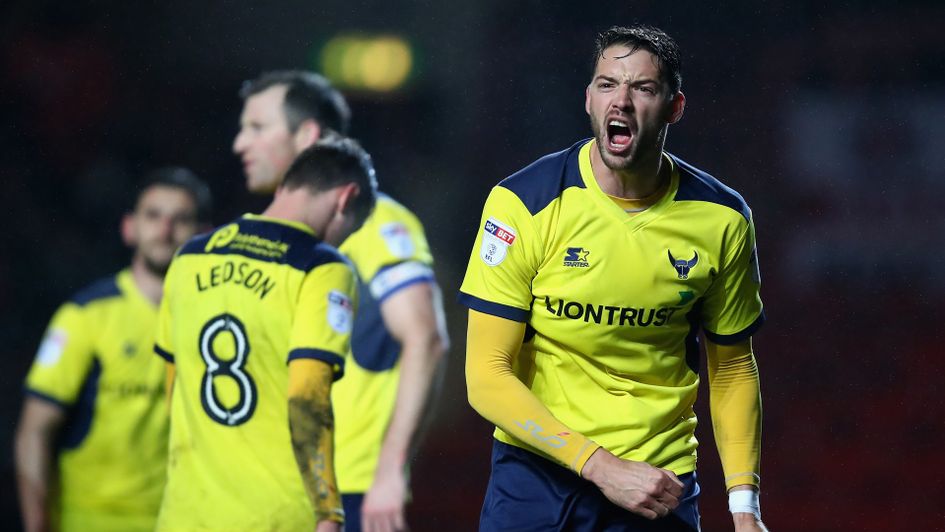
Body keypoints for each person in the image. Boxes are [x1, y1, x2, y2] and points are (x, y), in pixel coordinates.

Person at [460, 25, 768, 531]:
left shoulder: (723, 218)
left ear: (675, 107)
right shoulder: (523, 204)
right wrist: (601, 466)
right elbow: (487, 375)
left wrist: (744, 507)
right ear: (588, 100)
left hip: (657, 483)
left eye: (642, 89)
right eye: (607, 84)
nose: (620, 101)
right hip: (537, 479)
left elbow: (733, 367)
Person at [233, 70, 449, 532]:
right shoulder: (257, 235)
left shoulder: (375, 222)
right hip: (270, 486)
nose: (239, 143)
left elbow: (426, 339)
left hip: (349, 489)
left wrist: (390, 471)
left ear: (307, 134)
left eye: (257, 128)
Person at [153, 138, 377, 531]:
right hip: (276, 516)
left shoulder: (190, 256)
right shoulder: (322, 267)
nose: (342, 240)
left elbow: (174, 388)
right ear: (346, 199)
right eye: (349, 229)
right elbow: (308, 395)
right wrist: (328, 510)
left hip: (185, 514)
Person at [15, 168, 212, 532]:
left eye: (180, 219)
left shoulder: (212, 323)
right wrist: (37, 524)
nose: (165, 230)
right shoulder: (86, 316)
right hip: (88, 521)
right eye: (153, 215)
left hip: (179, 521)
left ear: (202, 234)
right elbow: (34, 430)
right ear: (129, 227)